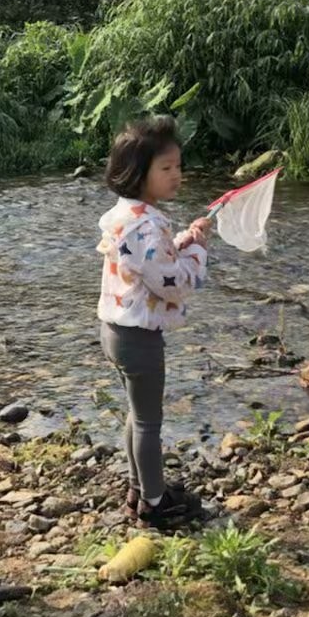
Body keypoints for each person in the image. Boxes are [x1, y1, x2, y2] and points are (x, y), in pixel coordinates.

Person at [97, 115, 211, 527]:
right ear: (137, 174)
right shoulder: (147, 225)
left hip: (114, 331)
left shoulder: (127, 216)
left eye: (179, 165)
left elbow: (152, 263)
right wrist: (198, 251)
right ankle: (154, 502)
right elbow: (175, 283)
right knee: (147, 421)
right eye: (166, 168)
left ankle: (138, 487)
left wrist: (182, 239)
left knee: (135, 414)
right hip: (139, 338)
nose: (177, 175)